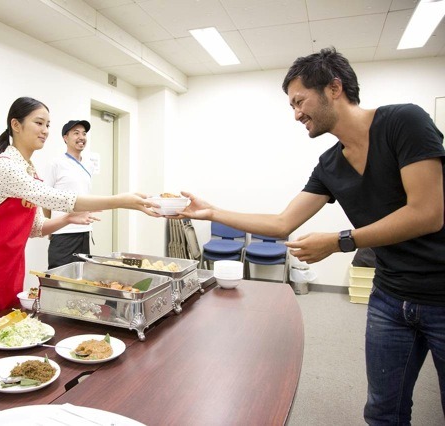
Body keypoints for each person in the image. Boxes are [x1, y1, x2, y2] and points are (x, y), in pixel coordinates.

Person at [178, 47, 445, 424]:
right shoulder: (330, 163)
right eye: (292, 105)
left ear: (334, 88)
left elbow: (427, 213)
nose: (296, 113)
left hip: (440, 292)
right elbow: (283, 222)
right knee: (384, 412)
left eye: (299, 101)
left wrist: (340, 241)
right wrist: (211, 211)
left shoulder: (404, 121)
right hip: (391, 296)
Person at [0, 97, 159, 328]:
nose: (45, 131)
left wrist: (67, 218)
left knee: (2, 336)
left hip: (8, 269)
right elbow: (58, 198)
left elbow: (37, 228)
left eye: (48, 125)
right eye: (39, 123)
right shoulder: (4, 166)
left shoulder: (28, 170)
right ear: (16, 125)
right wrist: (120, 200)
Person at [42, 119, 97, 269]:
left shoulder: (89, 165)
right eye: (76, 133)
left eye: (84, 133)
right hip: (63, 232)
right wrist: (49, 226)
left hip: (85, 231)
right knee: (58, 279)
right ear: (65, 138)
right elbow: (45, 199)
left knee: (82, 279)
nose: (82, 137)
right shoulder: (56, 163)